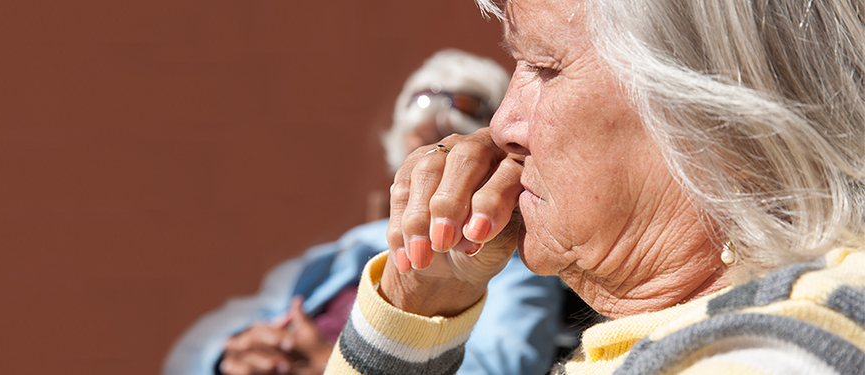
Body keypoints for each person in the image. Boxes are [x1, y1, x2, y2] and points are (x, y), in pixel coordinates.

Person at [325, 1, 865, 374]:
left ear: (722, 115)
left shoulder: (785, 352)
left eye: (544, 66)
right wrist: (423, 299)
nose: (504, 126)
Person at [164, 49, 565, 375]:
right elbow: (202, 340)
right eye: (425, 148)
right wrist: (229, 356)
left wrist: (341, 363)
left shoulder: (513, 262)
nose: (434, 168)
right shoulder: (351, 247)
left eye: (461, 149)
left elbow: (504, 366)